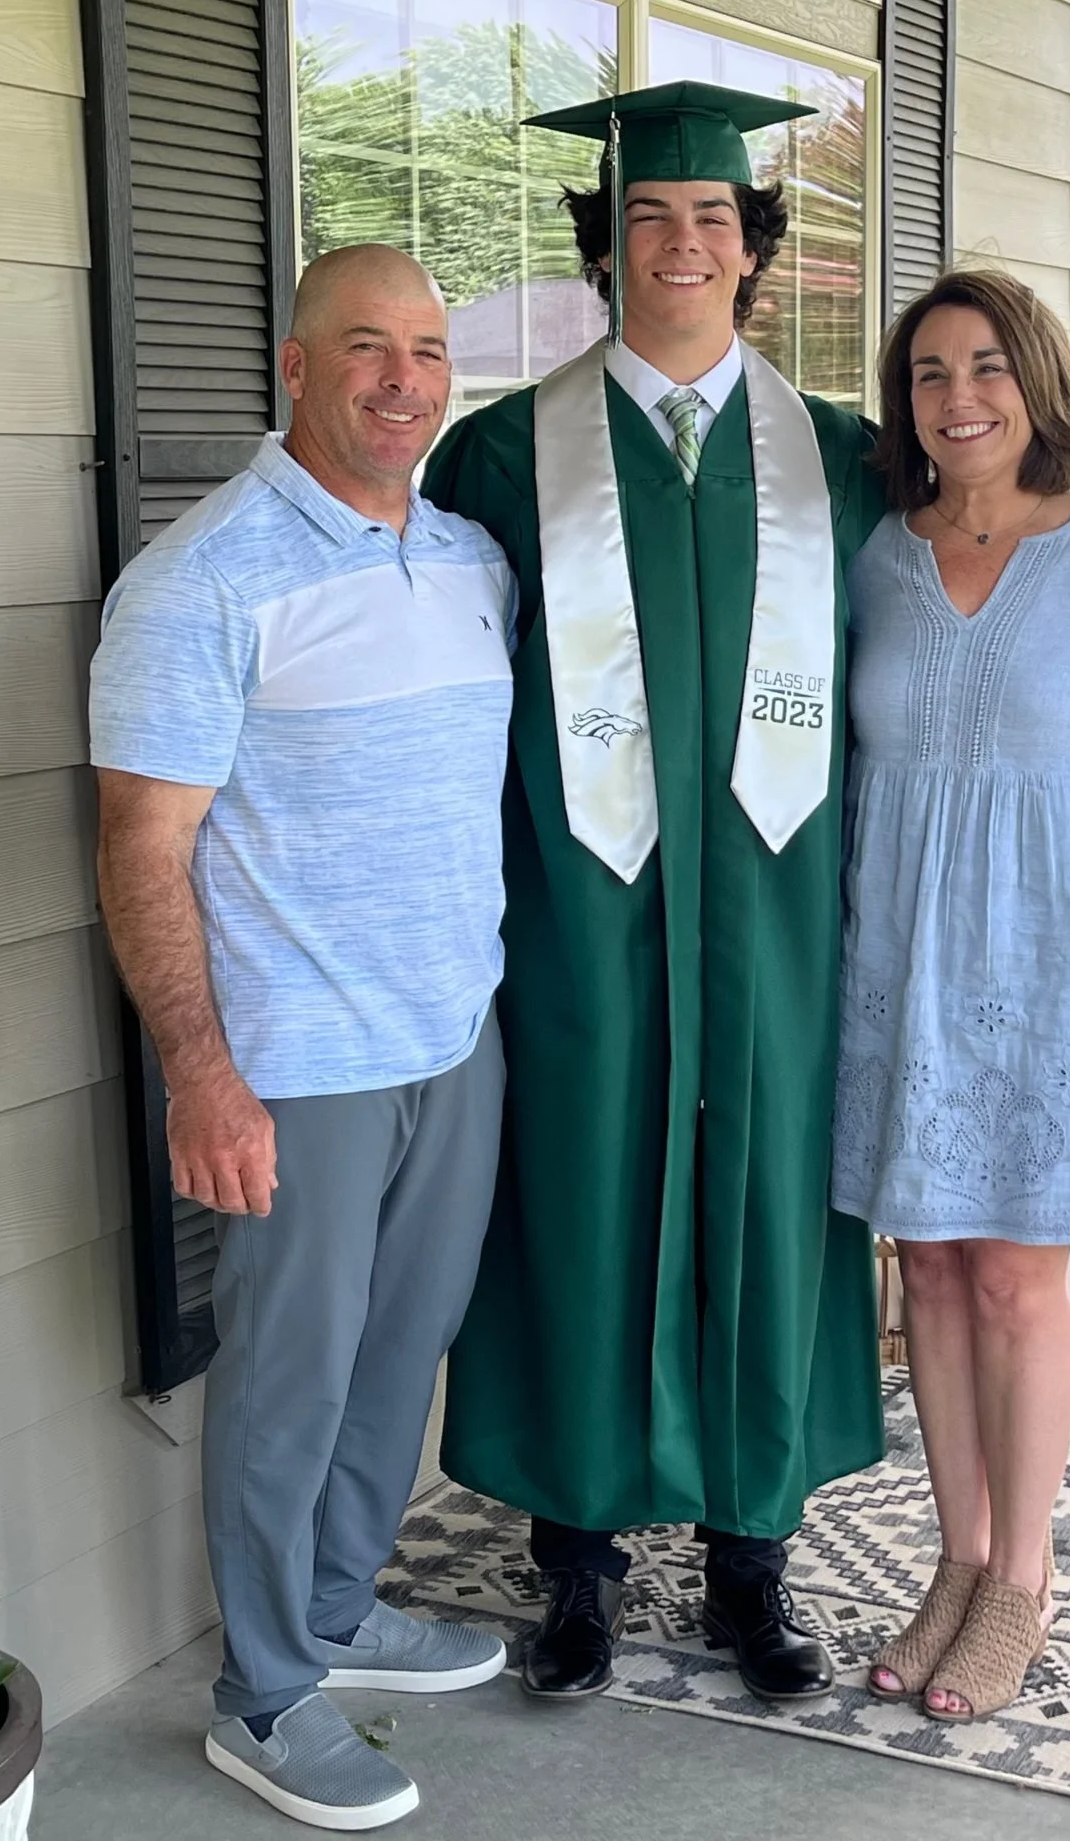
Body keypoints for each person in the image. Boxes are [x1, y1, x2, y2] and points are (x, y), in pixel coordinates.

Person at [420, 82, 887, 1706]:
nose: (682, 244)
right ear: (606, 248)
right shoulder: (499, 452)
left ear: (754, 249)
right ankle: (579, 1568)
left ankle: (756, 1560)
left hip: (774, 920)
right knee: (588, 1198)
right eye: (649, 218)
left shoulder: (841, 460)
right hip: (584, 925)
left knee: (764, 1201)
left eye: (713, 218)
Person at [90, 245, 516, 1830]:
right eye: (364, 346)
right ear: (292, 363)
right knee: (289, 1375)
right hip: (300, 1059)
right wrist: (201, 1070)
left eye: (425, 348)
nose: (402, 378)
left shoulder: (470, 558)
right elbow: (142, 843)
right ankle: (266, 1690)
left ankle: (342, 1605)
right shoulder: (205, 579)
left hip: (450, 1034)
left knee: (398, 1351)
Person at [834, 268, 1070, 1722]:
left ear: (1037, 380)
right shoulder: (874, 557)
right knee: (925, 1267)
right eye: (928, 373)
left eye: (986, 365)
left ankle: (1025, 1578)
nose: (959, 395)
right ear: (903, 402)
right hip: (901, 957)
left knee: (1016, 1276)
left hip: (1060, 964)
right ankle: (959, 1558)